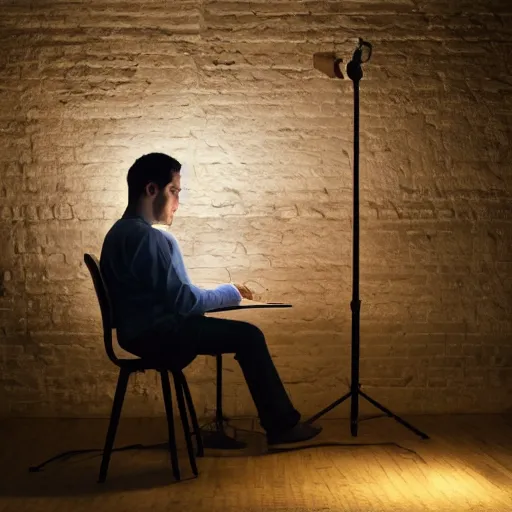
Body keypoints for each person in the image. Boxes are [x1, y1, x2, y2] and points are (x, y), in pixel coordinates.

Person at [100, 152, 322, 445]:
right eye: (174, 191)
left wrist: (212, 294)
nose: (178, 202)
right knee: (249, 336)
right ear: (152, 189)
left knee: (220, 328)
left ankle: (229, 429)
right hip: (160, 335)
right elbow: (184, 301)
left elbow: (169, 293)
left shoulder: (119, 232)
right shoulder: (146, 238)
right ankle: (281, 426)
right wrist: (229, 292)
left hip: (138, 334)